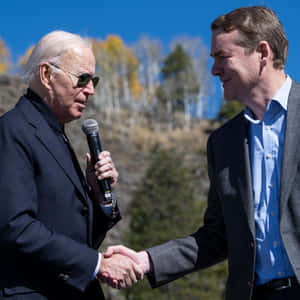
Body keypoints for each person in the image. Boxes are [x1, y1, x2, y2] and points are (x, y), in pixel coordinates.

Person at [103, 6, 300, 300]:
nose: (214, 70)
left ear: (262, 53)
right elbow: (218, 236)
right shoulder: (223, 143)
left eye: (223, 57)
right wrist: (145, 261)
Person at [0, 30, 143, 300]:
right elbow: (14, 226)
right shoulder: (13, 130)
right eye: (82, 79)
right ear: (46, 75)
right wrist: (97, 264)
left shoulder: (55, 134)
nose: (90, 89)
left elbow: (75, 235)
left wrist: (100, 199)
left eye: (94, 80)